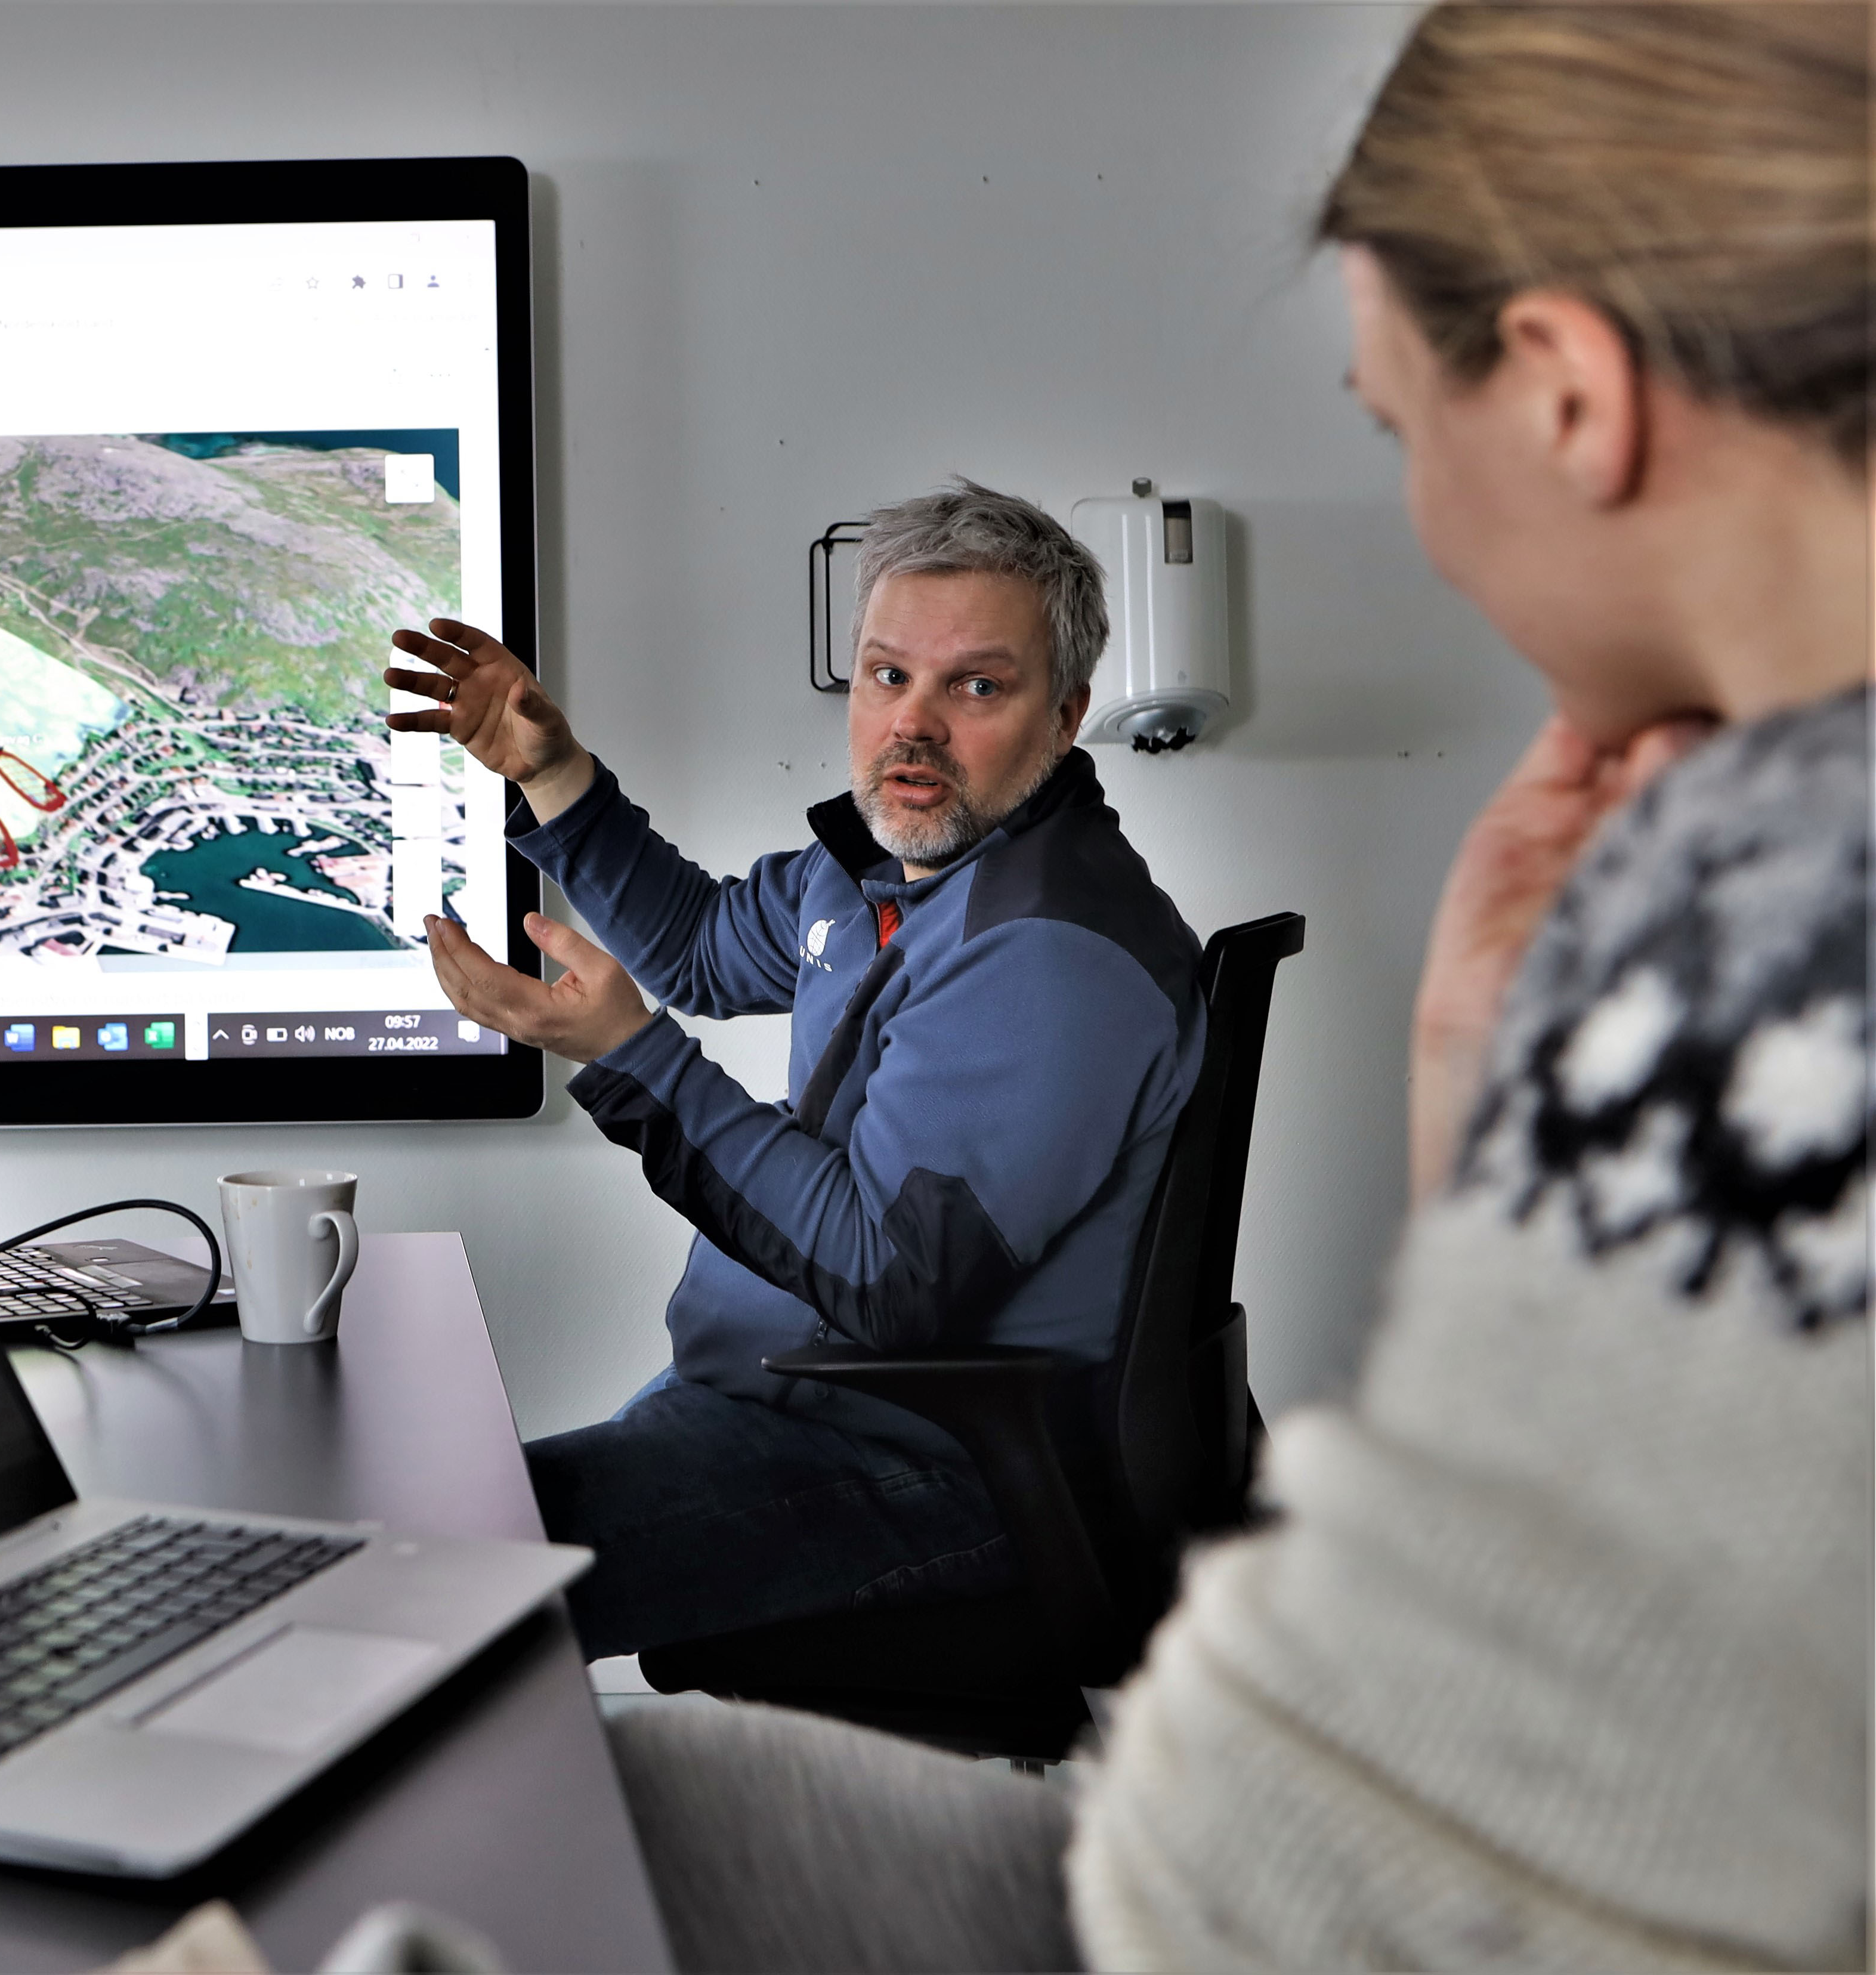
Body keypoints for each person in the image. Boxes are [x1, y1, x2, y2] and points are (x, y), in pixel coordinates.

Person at [586, 4, 1874, 1969]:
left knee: (455, 1757)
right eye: (885, 674)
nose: (1427, 530)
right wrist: (1477, 1119)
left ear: (1556, 393)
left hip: (1187, 1825)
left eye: (1385, 427)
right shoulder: (1735, 876)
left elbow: (1407, 1835)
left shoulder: (1768, 957)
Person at [384, 483, 1204, 1659]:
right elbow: (701, 951)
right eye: (886, 676)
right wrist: (549, 773)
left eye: (975, 685)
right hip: (777, 1410)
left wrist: (628, 1057)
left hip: (936, 1474)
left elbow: (885, 1279)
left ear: (1064, 714)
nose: (911, 725)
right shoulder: (885, 869)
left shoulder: (1049, 952)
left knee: (428, 1588)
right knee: (419, 1558)